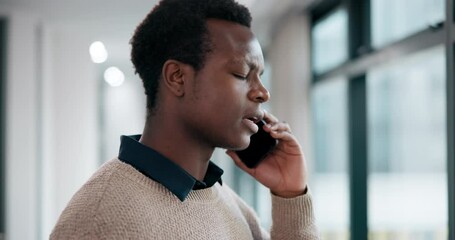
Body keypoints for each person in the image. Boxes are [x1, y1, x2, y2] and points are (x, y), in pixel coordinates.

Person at [50, 0, 319, 239]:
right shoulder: (99, 223)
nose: (263, 92)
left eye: (260, 75)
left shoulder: (231, 206)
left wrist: (290, 195)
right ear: (177, 78)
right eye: (242, 74)